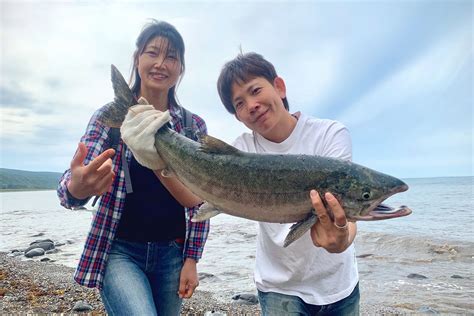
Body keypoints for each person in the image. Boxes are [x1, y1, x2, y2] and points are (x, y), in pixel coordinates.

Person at [57, 20, 209, 315]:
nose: (161, 64)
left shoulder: (193, 126)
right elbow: (70, 187)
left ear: (181, 69)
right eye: (152, 53)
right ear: (137, 58)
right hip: (119, 252)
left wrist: (192, 259)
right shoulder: (110, 117)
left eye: (172, 57)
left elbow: (204, 199)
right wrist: (76, 187)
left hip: (172, 254)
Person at [216, 52, 359, 315]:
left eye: (255, 90)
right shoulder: (239, 153)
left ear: (279, 87)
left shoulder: (330, 134)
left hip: (339, 285)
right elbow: (196, 197)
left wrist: (344, 237)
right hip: (279, 289)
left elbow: (347, 205)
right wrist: (157, 154)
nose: (252, 105)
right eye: (239, 103)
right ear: (238, 116)